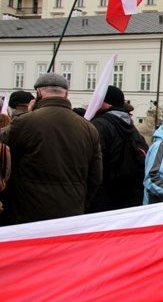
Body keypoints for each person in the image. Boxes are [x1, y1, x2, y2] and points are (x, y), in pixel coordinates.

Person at [1, 73, 102, 224]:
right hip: (71, 209)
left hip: (27, 210)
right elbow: (95, 176)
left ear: (39, 93)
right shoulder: (88, 127)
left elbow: (3, 148)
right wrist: (82, 202)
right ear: (67, 94)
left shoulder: (25, 122)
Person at [89, 86, 149, 212]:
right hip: (131, 194)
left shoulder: (99, 125)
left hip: (105, 196)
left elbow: (94, 163)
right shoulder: (130, 126)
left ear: (104, 102)